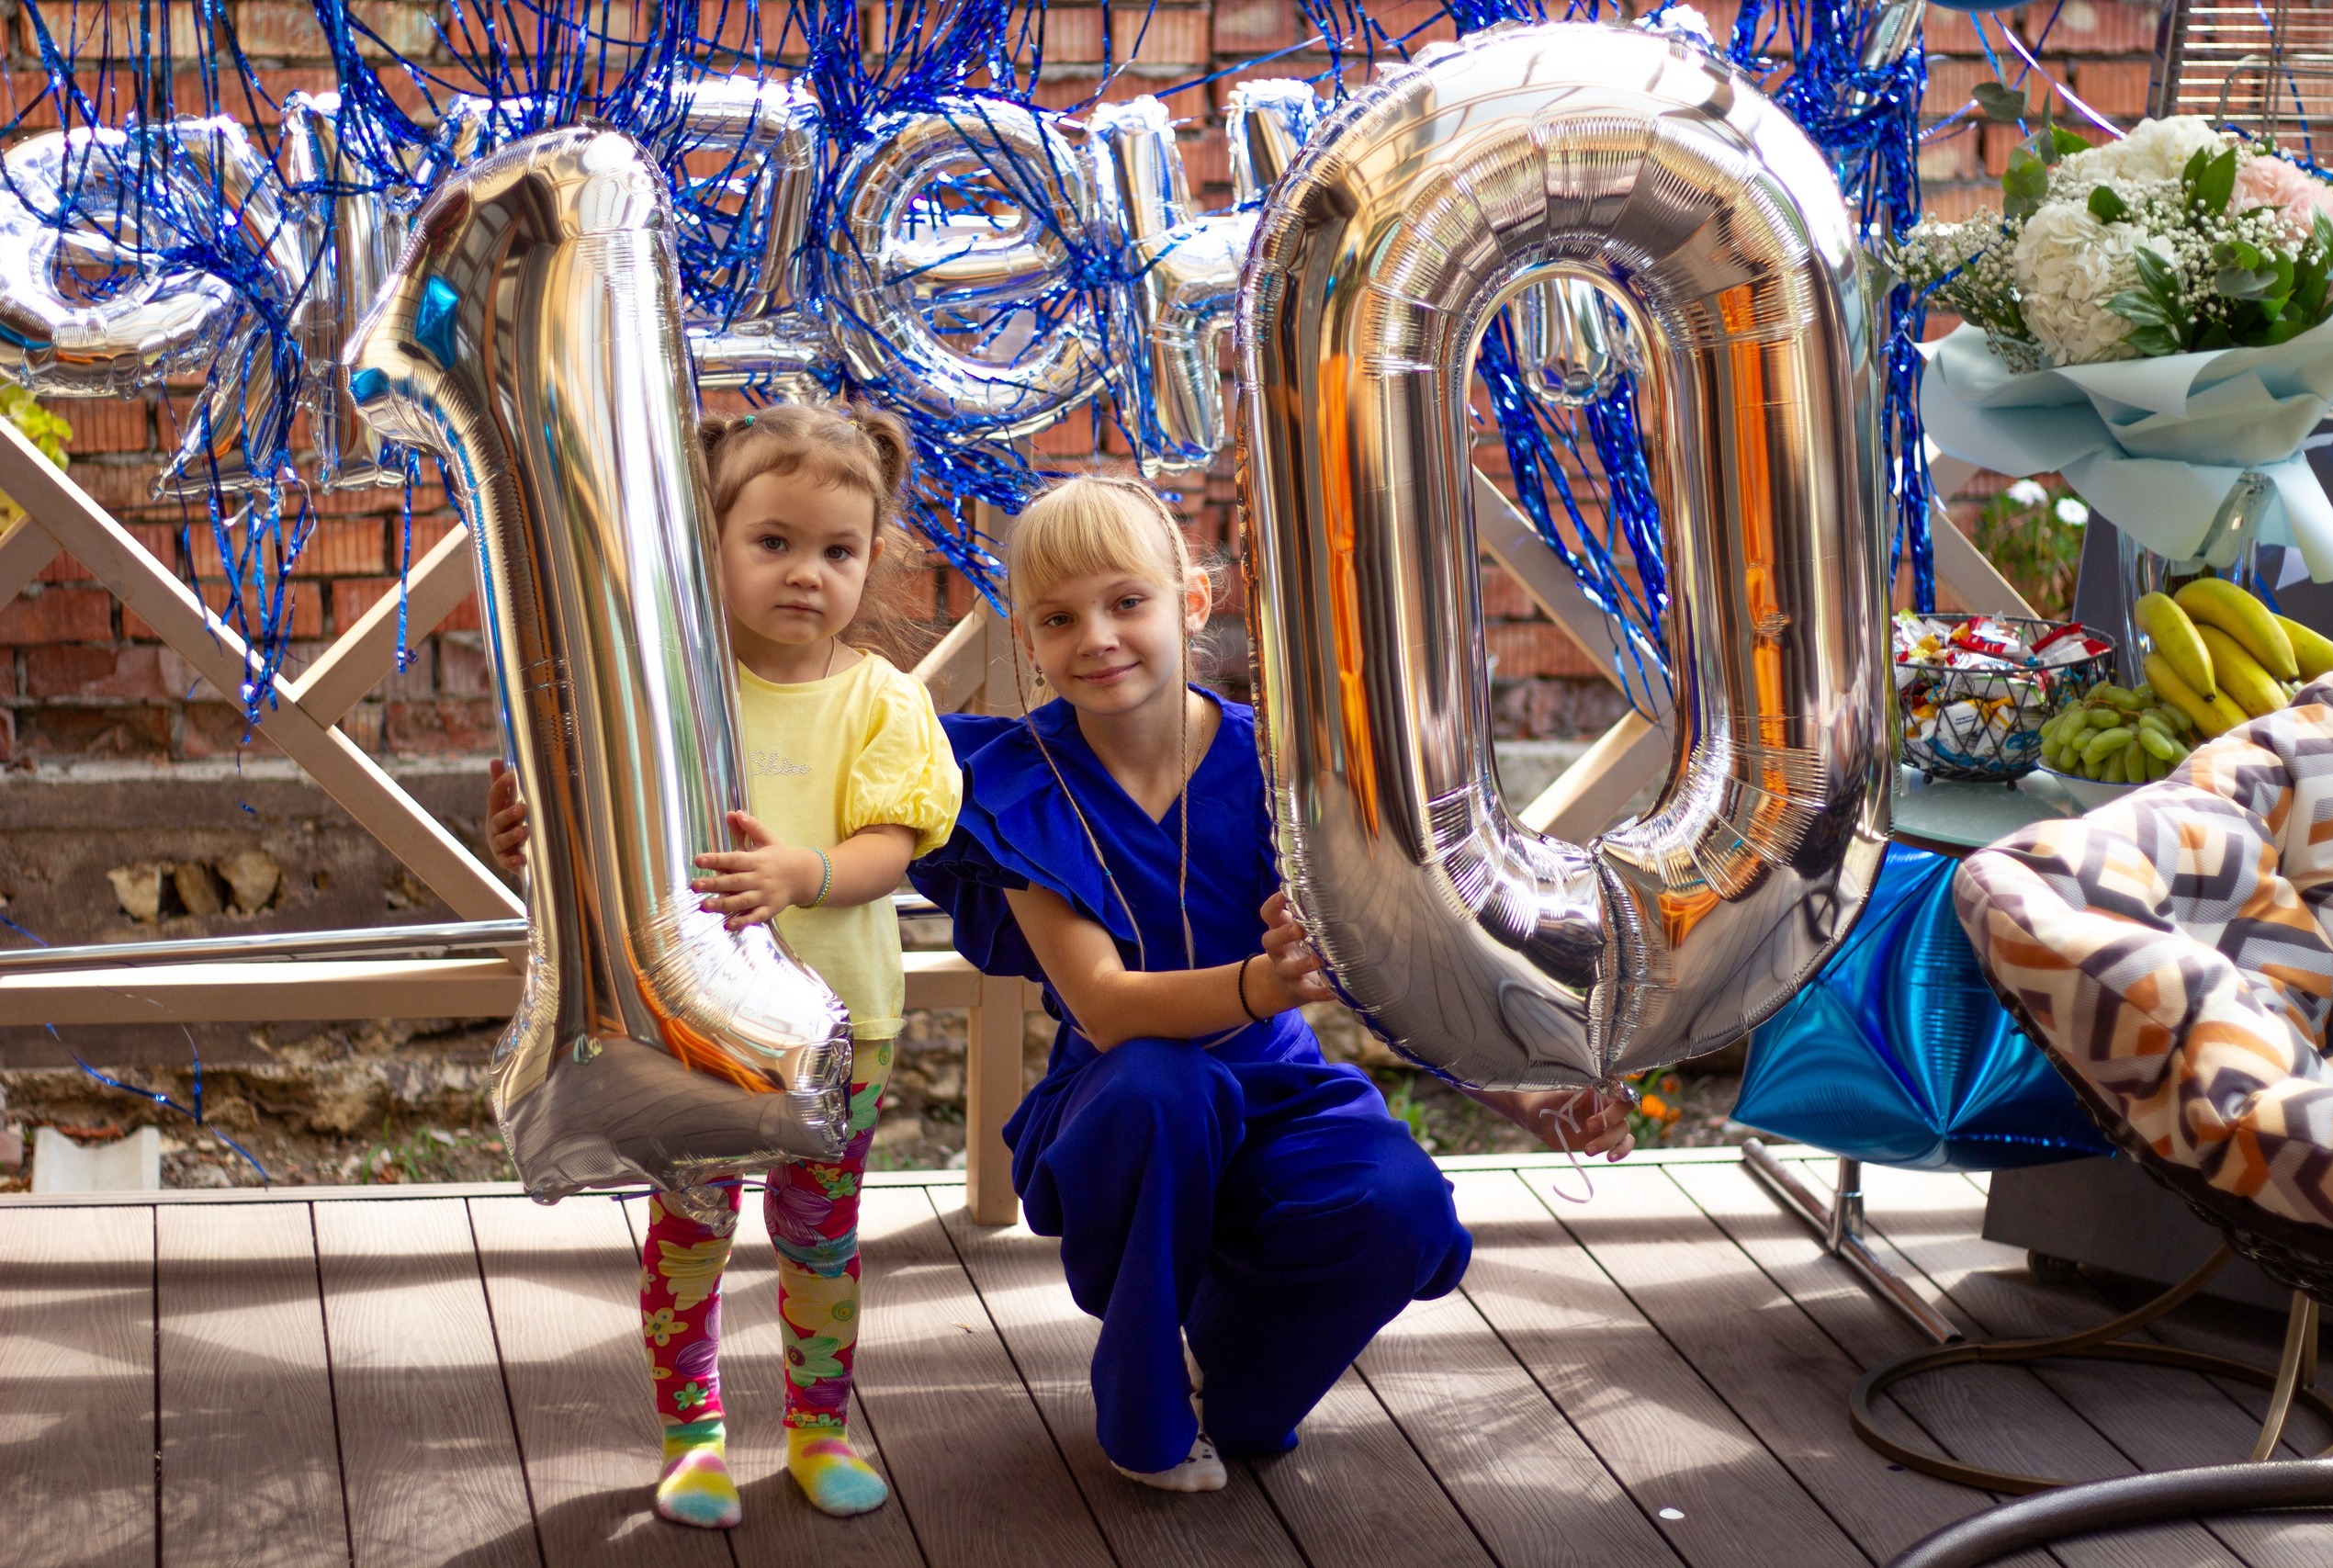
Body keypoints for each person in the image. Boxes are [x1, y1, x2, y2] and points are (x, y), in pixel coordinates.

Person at [908, 475, 1631, 1493]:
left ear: (1190, 603)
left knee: (1400, 1205)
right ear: (1027, 639)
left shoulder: (1287, 769)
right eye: (1059, 618)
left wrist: (1529, 1095)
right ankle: (1142, 1386)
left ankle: (1234, 1375)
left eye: (1127, 602)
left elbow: (1400, 974)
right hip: (1119, 1105)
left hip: (1280, 1091)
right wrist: (1262, 981)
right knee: (1169, 1086)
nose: (1098, 637)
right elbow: (1107, 1009)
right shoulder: (1023, 782)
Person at [485, 402, 959, 1529]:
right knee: (692, 1225)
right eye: (775, 543)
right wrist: (529, 831)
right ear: (711, 544)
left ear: (871, 559)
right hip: (692, 1032)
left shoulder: (879, 699)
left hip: (843, 1032)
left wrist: (806, 872)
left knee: (818, 1236)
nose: (809, 574)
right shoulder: (661, 694)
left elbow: (893, 843)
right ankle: (692, 1437)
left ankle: (815, 1430)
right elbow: (591, 813)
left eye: (839, 552)